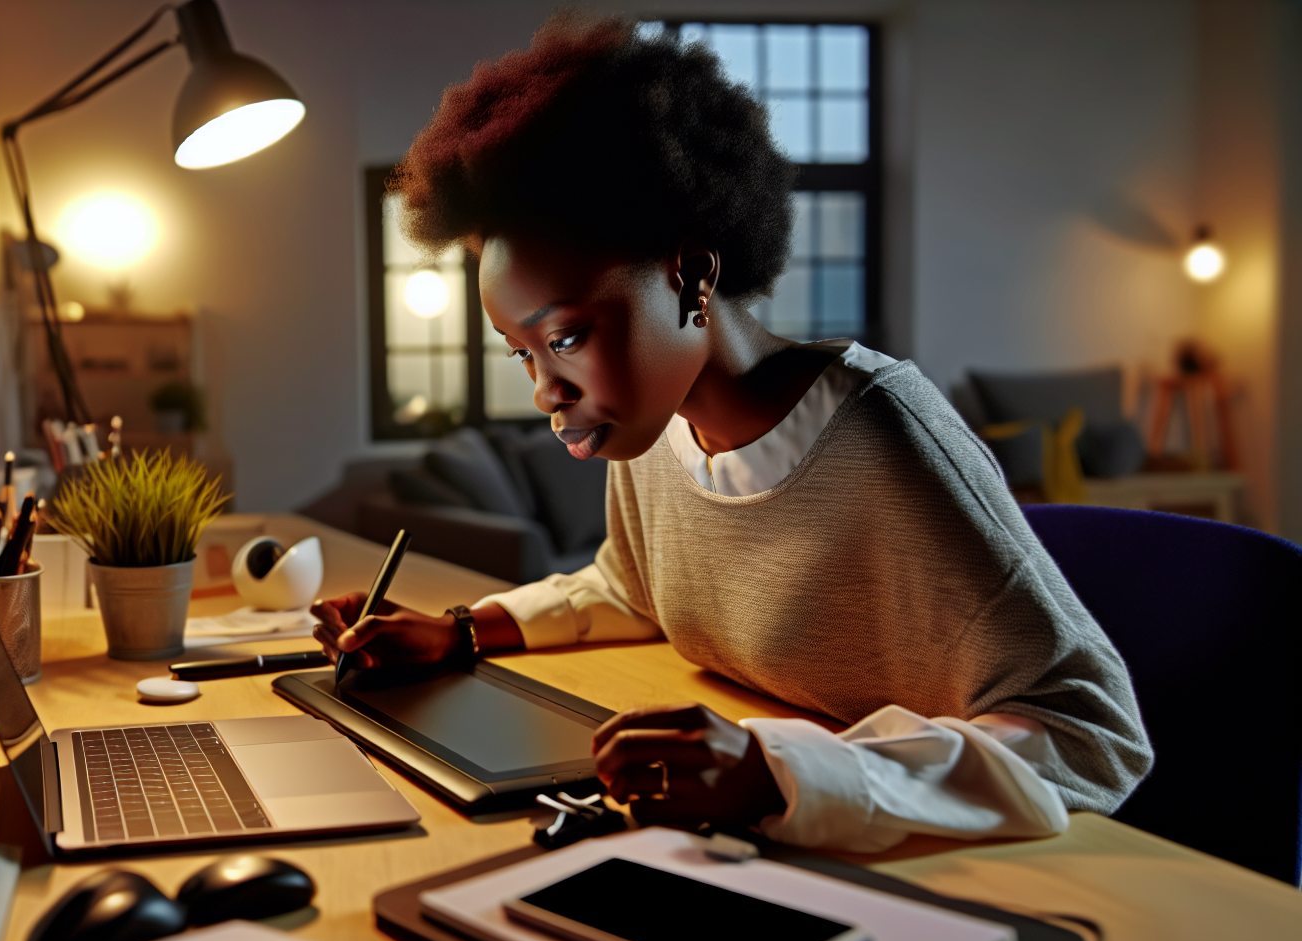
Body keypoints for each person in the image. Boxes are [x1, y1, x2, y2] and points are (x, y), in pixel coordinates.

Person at [311, 14, 1151, 852]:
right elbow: (636, 586)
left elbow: (1092, 737)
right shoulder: (659, 431)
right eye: (521, 352)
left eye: (565, 338)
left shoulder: (883, 434)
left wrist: (780, 771)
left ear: (691, 274)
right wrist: (458, 630)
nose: (544, 390)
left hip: (984, 871)